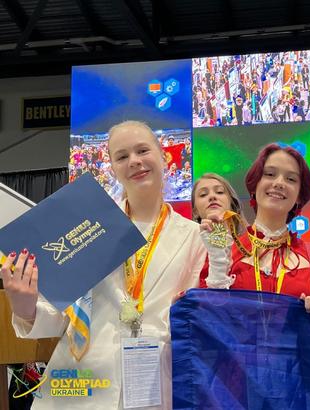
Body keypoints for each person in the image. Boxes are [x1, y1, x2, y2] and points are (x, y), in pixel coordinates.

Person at [0, 120, 206, 409]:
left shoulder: (196, 237)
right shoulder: (88, 226)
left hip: (155, 381)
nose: (134, 161)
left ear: (163, 155)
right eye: (122, 156)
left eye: (142, 150)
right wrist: (25, 308)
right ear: (112, 168)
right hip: (83, 379)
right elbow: (61, 314)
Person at [199, 144, 310, 298]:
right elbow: (210, 308)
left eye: (291, 179)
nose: (279, 183)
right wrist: (218, 262)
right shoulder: (225, 251)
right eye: (270, 174)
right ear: (255, 185)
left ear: (299, 196)